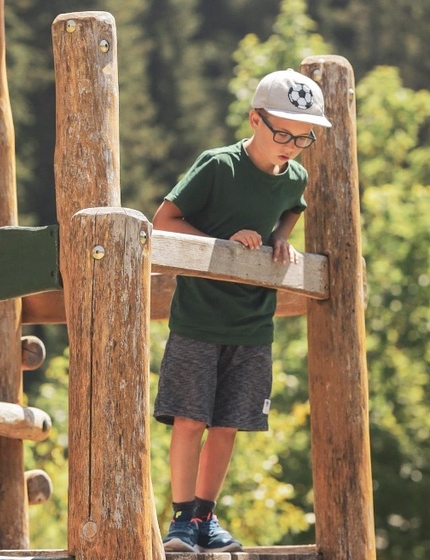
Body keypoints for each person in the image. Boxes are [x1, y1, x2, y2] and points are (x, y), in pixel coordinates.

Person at [152, 68, 332, 553]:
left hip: (254, 325)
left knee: (229, 425)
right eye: (283, 133)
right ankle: (181, 521)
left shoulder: (296, 174)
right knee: (191, 420)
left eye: (304, 136)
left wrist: (279, 238)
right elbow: (163, 221)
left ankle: (206, 518)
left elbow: (293, 205)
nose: (292, 145)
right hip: (199, 318)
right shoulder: (218, 165)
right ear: (255, 119)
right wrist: (223, 245)